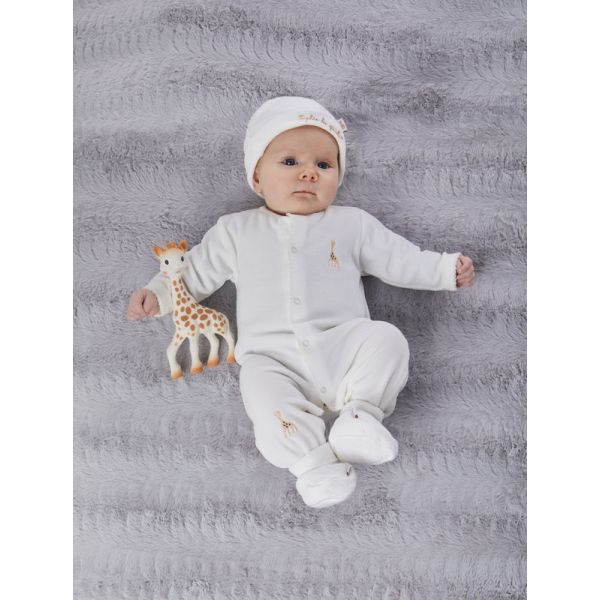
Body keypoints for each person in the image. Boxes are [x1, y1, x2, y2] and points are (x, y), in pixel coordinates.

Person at [127, 96, 475, 509]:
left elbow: (397, 258)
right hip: (273, 359)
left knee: (386, 339)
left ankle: (360, 417)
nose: (309, 173)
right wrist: (160, 294)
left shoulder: (351, 225)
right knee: (260, 391)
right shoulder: (236, 231)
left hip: (341, 344)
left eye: (324, 165)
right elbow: (195, 270)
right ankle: (313, 465)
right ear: (257, 177)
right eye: (290, 162)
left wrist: (442, 270)